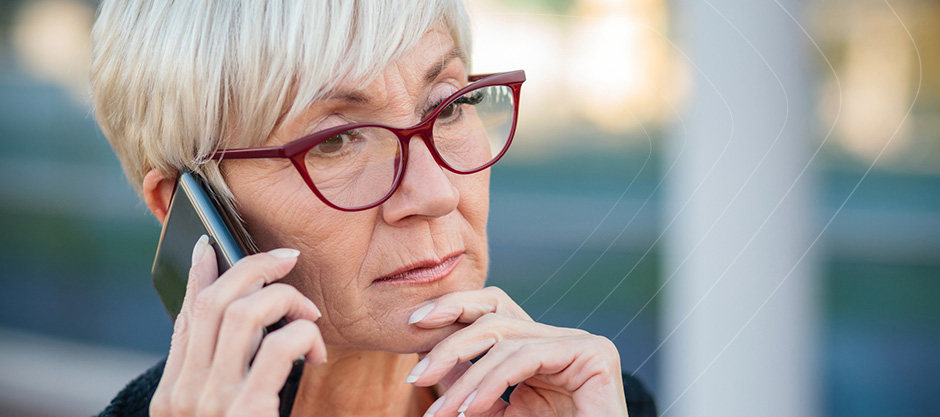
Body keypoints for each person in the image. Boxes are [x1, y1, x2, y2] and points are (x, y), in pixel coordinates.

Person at [90, 1, 655, 416]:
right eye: (336, 141)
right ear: (187, 207)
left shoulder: (586, 401)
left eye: (448, 107)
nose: (436, 194)